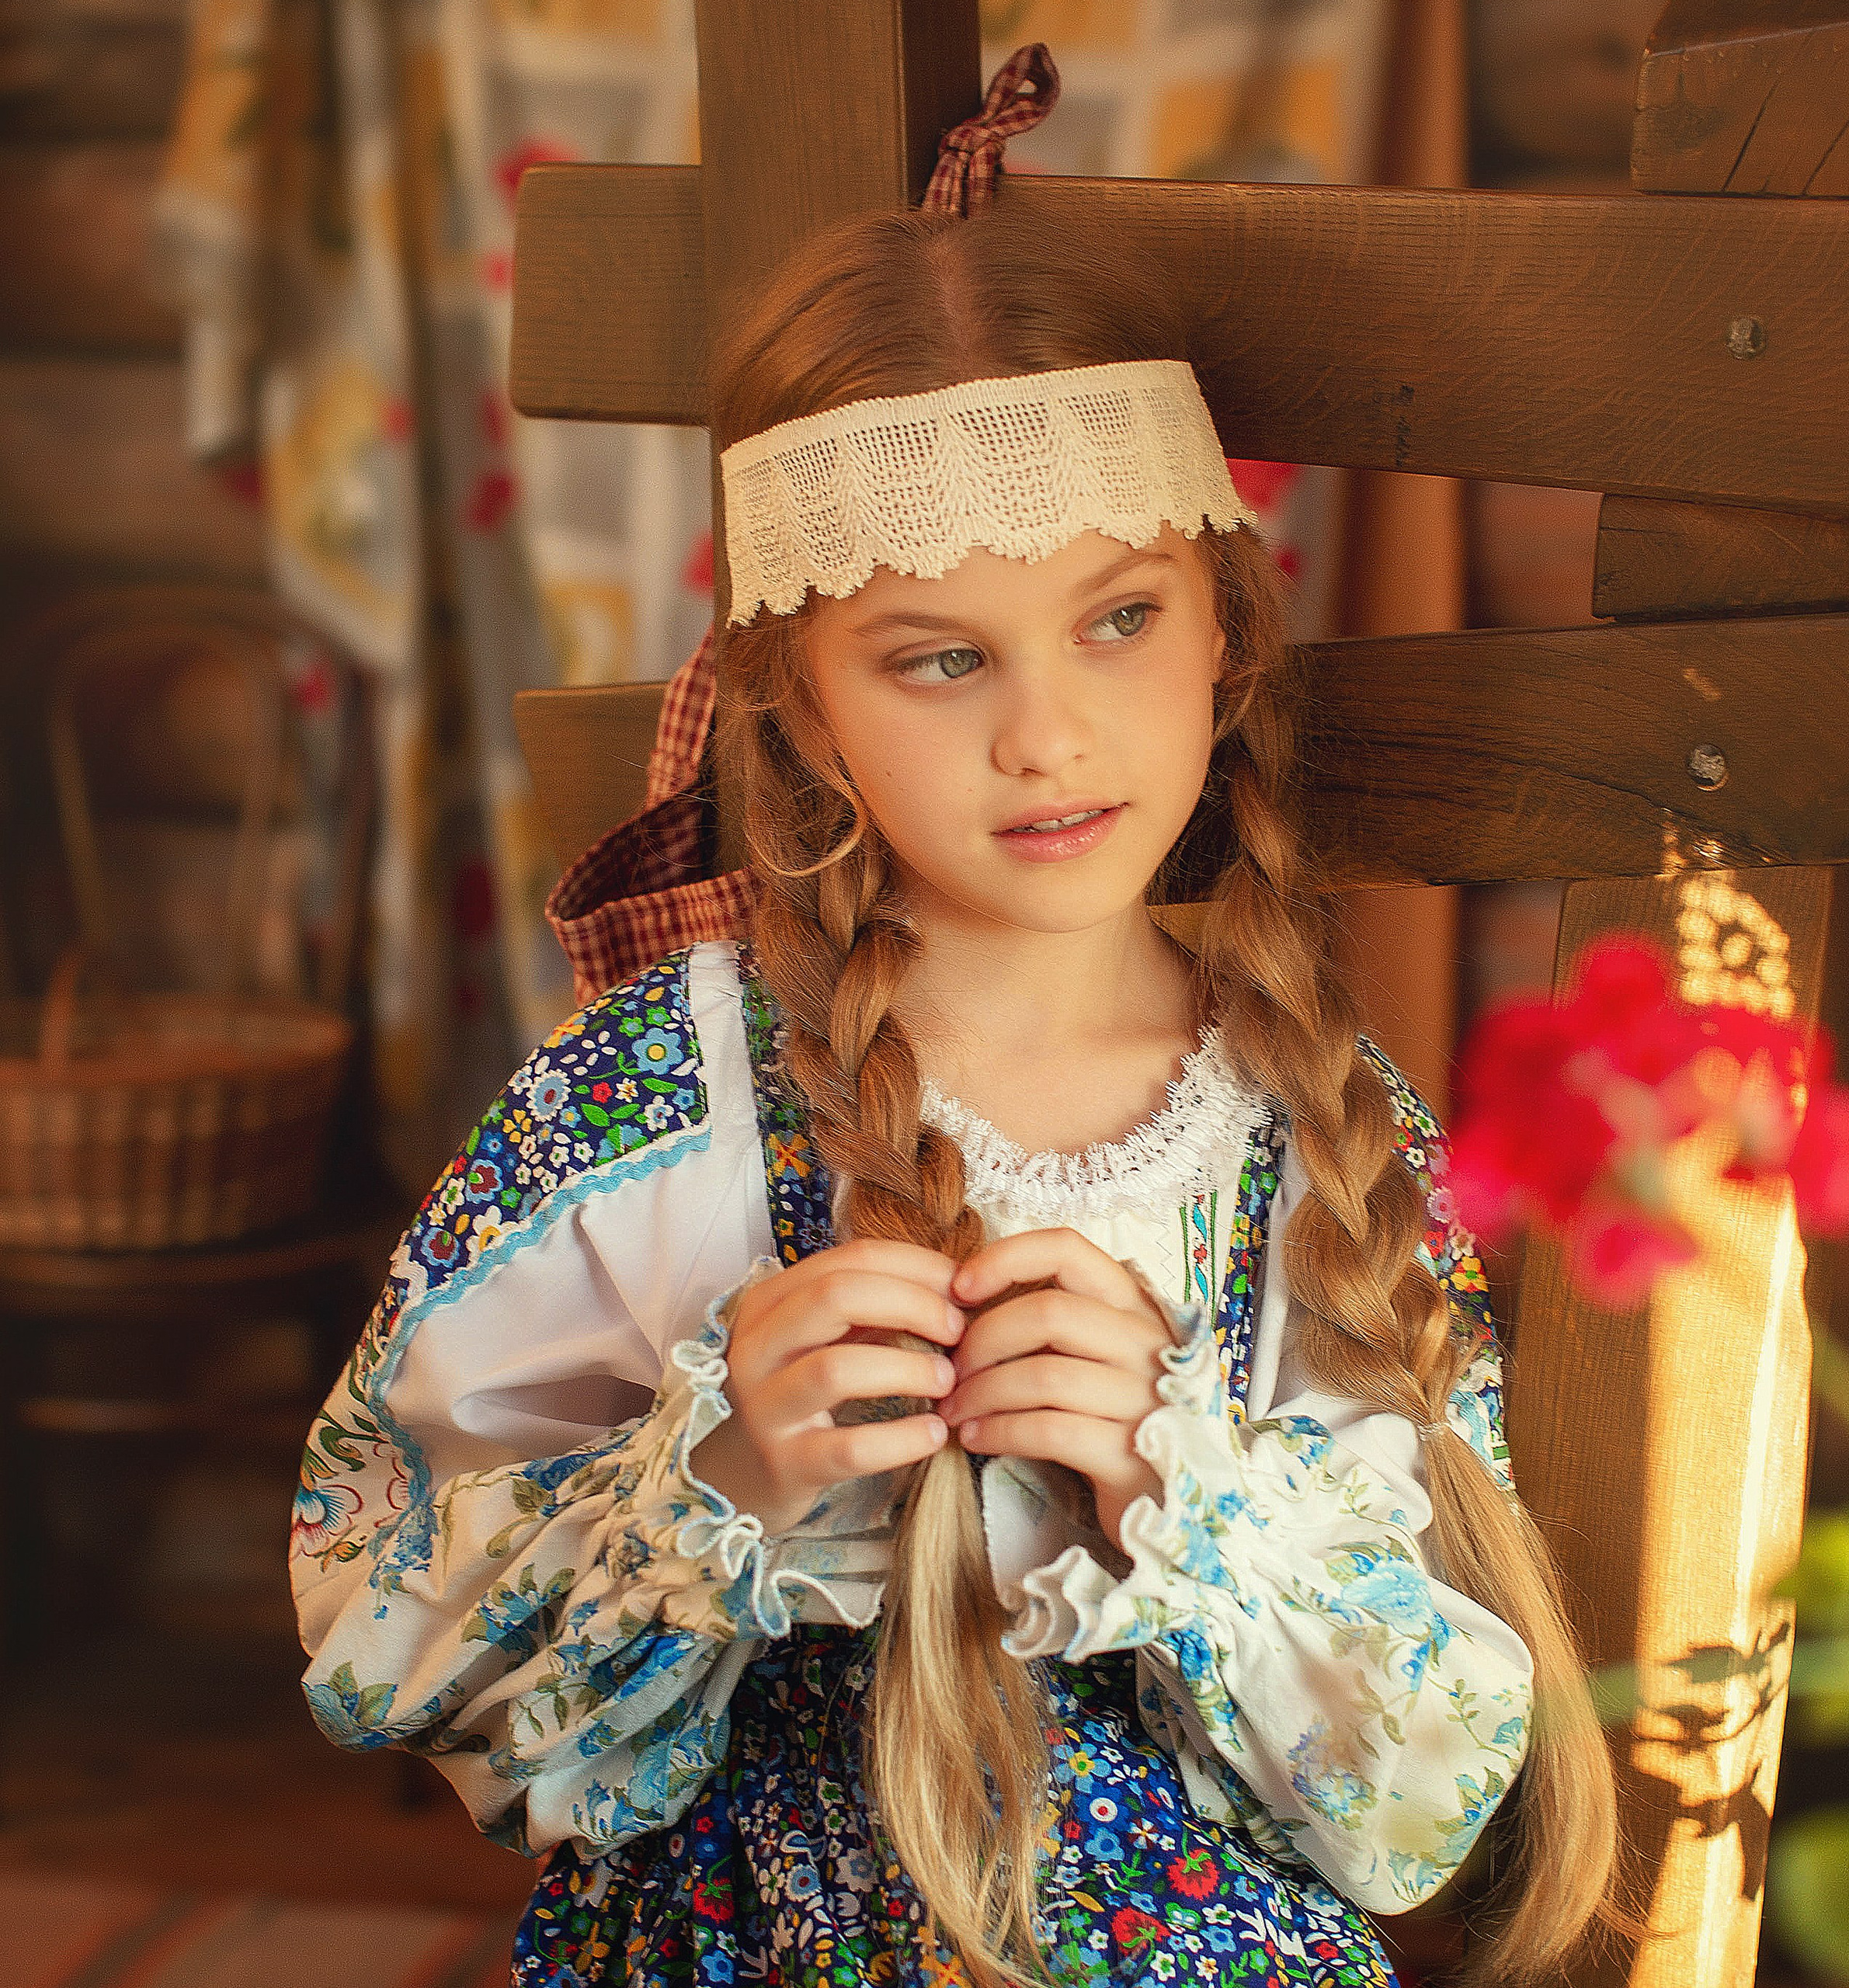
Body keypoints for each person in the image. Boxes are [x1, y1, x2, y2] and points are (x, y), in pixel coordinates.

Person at [290, 113, 1618, 1988]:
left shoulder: (1309, 1130)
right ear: (803, 712)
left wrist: (1182, 1486)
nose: (1048, 737)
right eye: (937, 658)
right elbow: (381, 1634)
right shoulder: (648, 1101)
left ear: (1225, 637)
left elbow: (1418, 1794)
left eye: (1117, 619)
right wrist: (719, 1472)